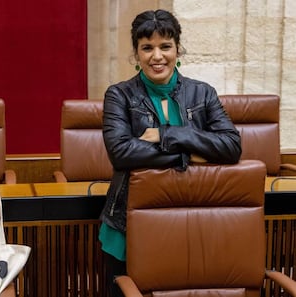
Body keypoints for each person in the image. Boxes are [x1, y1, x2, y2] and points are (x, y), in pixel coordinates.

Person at [99, 9, 242, 297]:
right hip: (129, 222)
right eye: (147, 47)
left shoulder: (203, 94)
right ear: (136, 53)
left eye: (165, 46)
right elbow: (121, 153)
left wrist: (167, 135)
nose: (157, 56)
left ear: (178, 49)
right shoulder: (119, 95)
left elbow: (231, 146)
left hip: (191, 218)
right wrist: (189, 155)